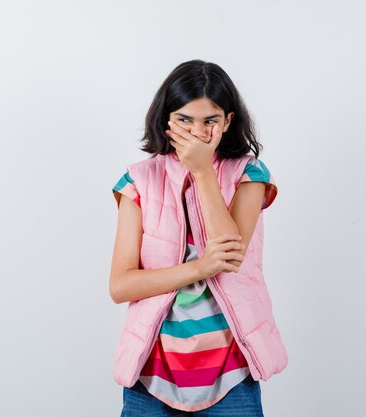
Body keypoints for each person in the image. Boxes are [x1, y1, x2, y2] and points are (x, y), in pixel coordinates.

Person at [109, 59, 287, 417]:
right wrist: (201, 267)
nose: (197, 133)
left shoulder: (249, 173)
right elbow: (121, 286)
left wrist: (202, 170)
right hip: (152, 374)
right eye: (185, 120)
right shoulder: (138, 180)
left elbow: (232, 255)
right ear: (167, 120)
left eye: (210, 121)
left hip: (230, 372)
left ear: (228, 122)